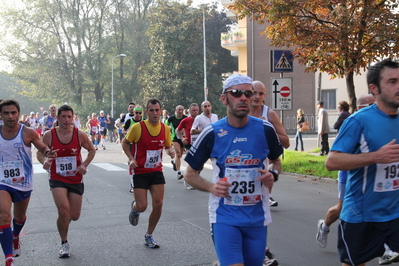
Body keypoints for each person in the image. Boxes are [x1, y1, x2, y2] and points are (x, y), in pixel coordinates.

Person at [184, 74, 283, 266]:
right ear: (224, 99)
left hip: (257, 218)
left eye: (248, 93)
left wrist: (274, 174)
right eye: (237, 93)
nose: (244, 98)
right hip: (224, 217)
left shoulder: (265, 129)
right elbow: (189, 175)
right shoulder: (212, 132)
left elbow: (276, 161)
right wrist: (212, 188)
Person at [325, 59, 399, 266]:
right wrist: (376, 156)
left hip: (394, 213)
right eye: (392, 82)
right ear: (374, 88)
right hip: (361, 216)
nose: (398, 87)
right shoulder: (358, 121)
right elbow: (331, 162)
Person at [0, 99, 56, 266]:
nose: (10, 116)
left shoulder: (28, 132)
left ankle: (15, 236)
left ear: (18, 113)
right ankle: (8, 258)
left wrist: (48, 152)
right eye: (6, 113)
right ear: (1, 115)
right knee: (3, 215)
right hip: (2, 181)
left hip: (23, 181)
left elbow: (41, 147)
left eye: (13, 112)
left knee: (19, 217)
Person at [317, 95, 375, 248]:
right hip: (348, 173)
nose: (376, 107)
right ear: (362, 107)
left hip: (370, 174)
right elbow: (335, 157)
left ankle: (386, 248)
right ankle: (325, 226)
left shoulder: (380, 122)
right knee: (341, 208)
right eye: (372, 104)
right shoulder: (352, 122)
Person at [37, 104, 95, 258]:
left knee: (74, 215)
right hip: (57, 177)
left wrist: (84, 164)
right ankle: (64, 242)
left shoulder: (79, 135)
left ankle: (64, 222)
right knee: (63, 210)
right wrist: (44, 161)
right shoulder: (49, 135)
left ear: (73, 118)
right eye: (63, 116)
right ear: (58, 117)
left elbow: (92, 150)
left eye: (69, 116)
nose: (66, 119)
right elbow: (39, 153)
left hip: (75, 177)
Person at [122, 98, 175, 249]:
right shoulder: (138, 128)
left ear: (160, 111)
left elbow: (167, 145)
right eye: (151, 110)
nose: (155, 113)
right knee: (142, 206)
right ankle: (134, 209)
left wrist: (170, 151)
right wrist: (131, 158)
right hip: (139, 170)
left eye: (157, 110)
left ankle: (149, 235)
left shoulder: (165, 128)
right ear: (146, 112)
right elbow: (125, 143)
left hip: (156, 170)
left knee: (158, 205)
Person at [249, 79, 289, 266]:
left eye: (261, 93)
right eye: (253, 92)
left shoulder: (269, 114)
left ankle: (262, 253)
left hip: (262, 173)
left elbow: (286, 142)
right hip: (240, 171)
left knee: (259, 216)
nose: (257, 97)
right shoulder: (241, 111)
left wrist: (268, 128)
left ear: (265, 95)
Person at [176, 103, 200, 190]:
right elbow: (177, 130)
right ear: (189, 111)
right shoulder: (186, 120)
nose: (195, 112)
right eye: (193, 110)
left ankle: (193, 178)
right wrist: (182, 138)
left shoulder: (201, 119)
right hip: (188, 144)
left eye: (197, 110)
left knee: (199, 165)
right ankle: (187, 180)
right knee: (191, 162)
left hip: (199, 144)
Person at [165, 105, 187, 180]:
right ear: (176, 110)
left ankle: (174, 162)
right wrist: (167, 132)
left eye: (181, 110)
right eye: (179, 110)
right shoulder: (171, 118)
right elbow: (165, 125)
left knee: (180, 155)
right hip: (175, 138)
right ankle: (178, 172)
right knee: (178, 154)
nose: (180, 111)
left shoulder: (185, 118)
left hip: (183, 138)